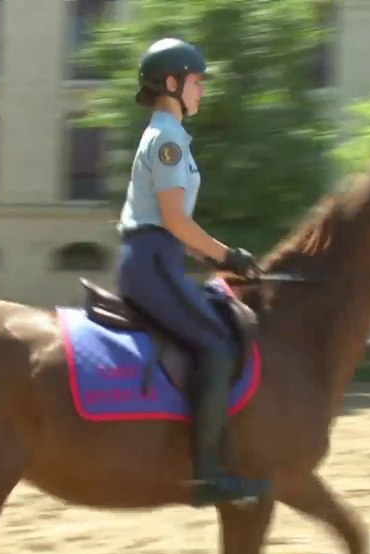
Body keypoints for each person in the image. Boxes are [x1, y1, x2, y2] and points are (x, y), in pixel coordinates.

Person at [114, 37, 268, 506]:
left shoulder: (169, 137)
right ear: (173, 83)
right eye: (197, 82)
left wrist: (217, 258)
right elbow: (176, 222)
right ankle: (206, 476)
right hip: (152, 264)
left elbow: (173, 226)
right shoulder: (168, 141)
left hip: (158, 258)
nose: (202, 90)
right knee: (217, 344)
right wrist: (226, 254)